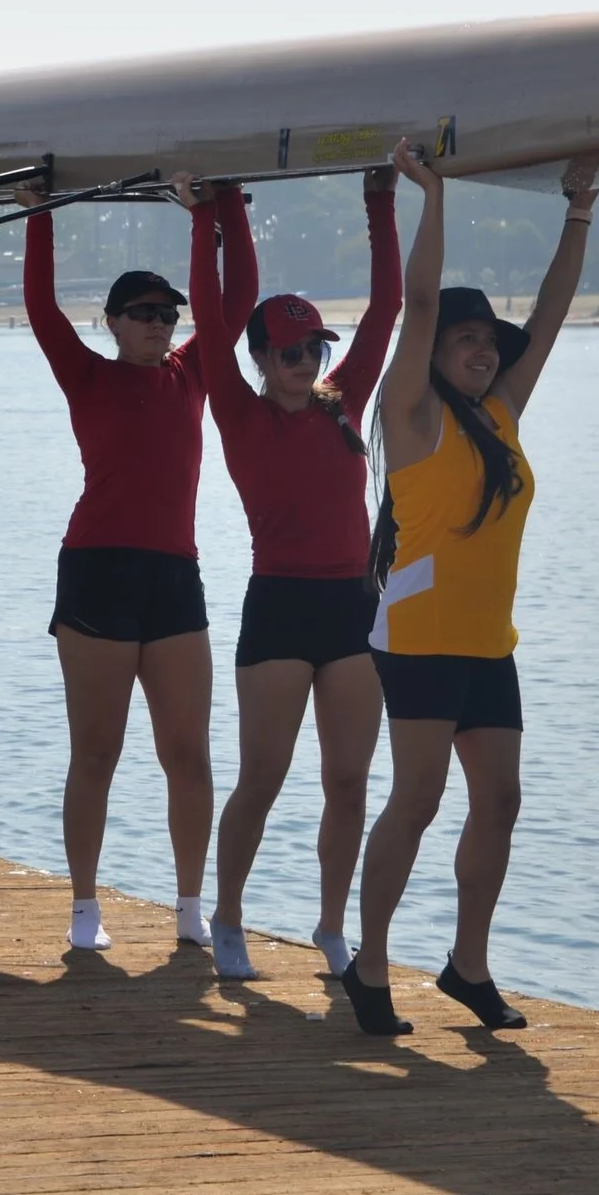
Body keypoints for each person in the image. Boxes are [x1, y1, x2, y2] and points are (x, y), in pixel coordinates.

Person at [343, 144, 599, 1035]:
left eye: (490, 342)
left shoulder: (502, 411)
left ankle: (467, 964)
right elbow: (418, 303)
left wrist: (579, 212)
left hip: (490, 640)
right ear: (436, 353)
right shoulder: (410, 416)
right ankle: (369, 966)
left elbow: (554, 315)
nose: (484, 351)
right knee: (415, 801)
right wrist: (433, 193)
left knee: (501, 800)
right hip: (418, 639)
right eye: (467, 340)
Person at [18, 179, 250, 950]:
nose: (158, 325)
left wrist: (218, 215)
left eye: (167, 315)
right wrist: (41, 212)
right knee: (98, 750)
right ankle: (85, 907)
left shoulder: (192, 375)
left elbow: (239, 297)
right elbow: (43, 310)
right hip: (97, 570)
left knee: (188, 753)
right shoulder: (87, 373)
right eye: (142, 314)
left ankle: (189, 908)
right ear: (113, 322)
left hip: (174, 576)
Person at [199, 167, 402, 979]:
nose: (302, 360)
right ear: (259, 358)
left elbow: (388, 308)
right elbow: (213, 320)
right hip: (279, 606)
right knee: (262, 776)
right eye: (286, 351)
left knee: (349, 779)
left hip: (353, 605)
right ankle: (227, 916)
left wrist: (380, 199)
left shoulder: (343, 400)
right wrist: (217, 215)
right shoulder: (237, 410)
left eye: (312, 346)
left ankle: (329, 927)